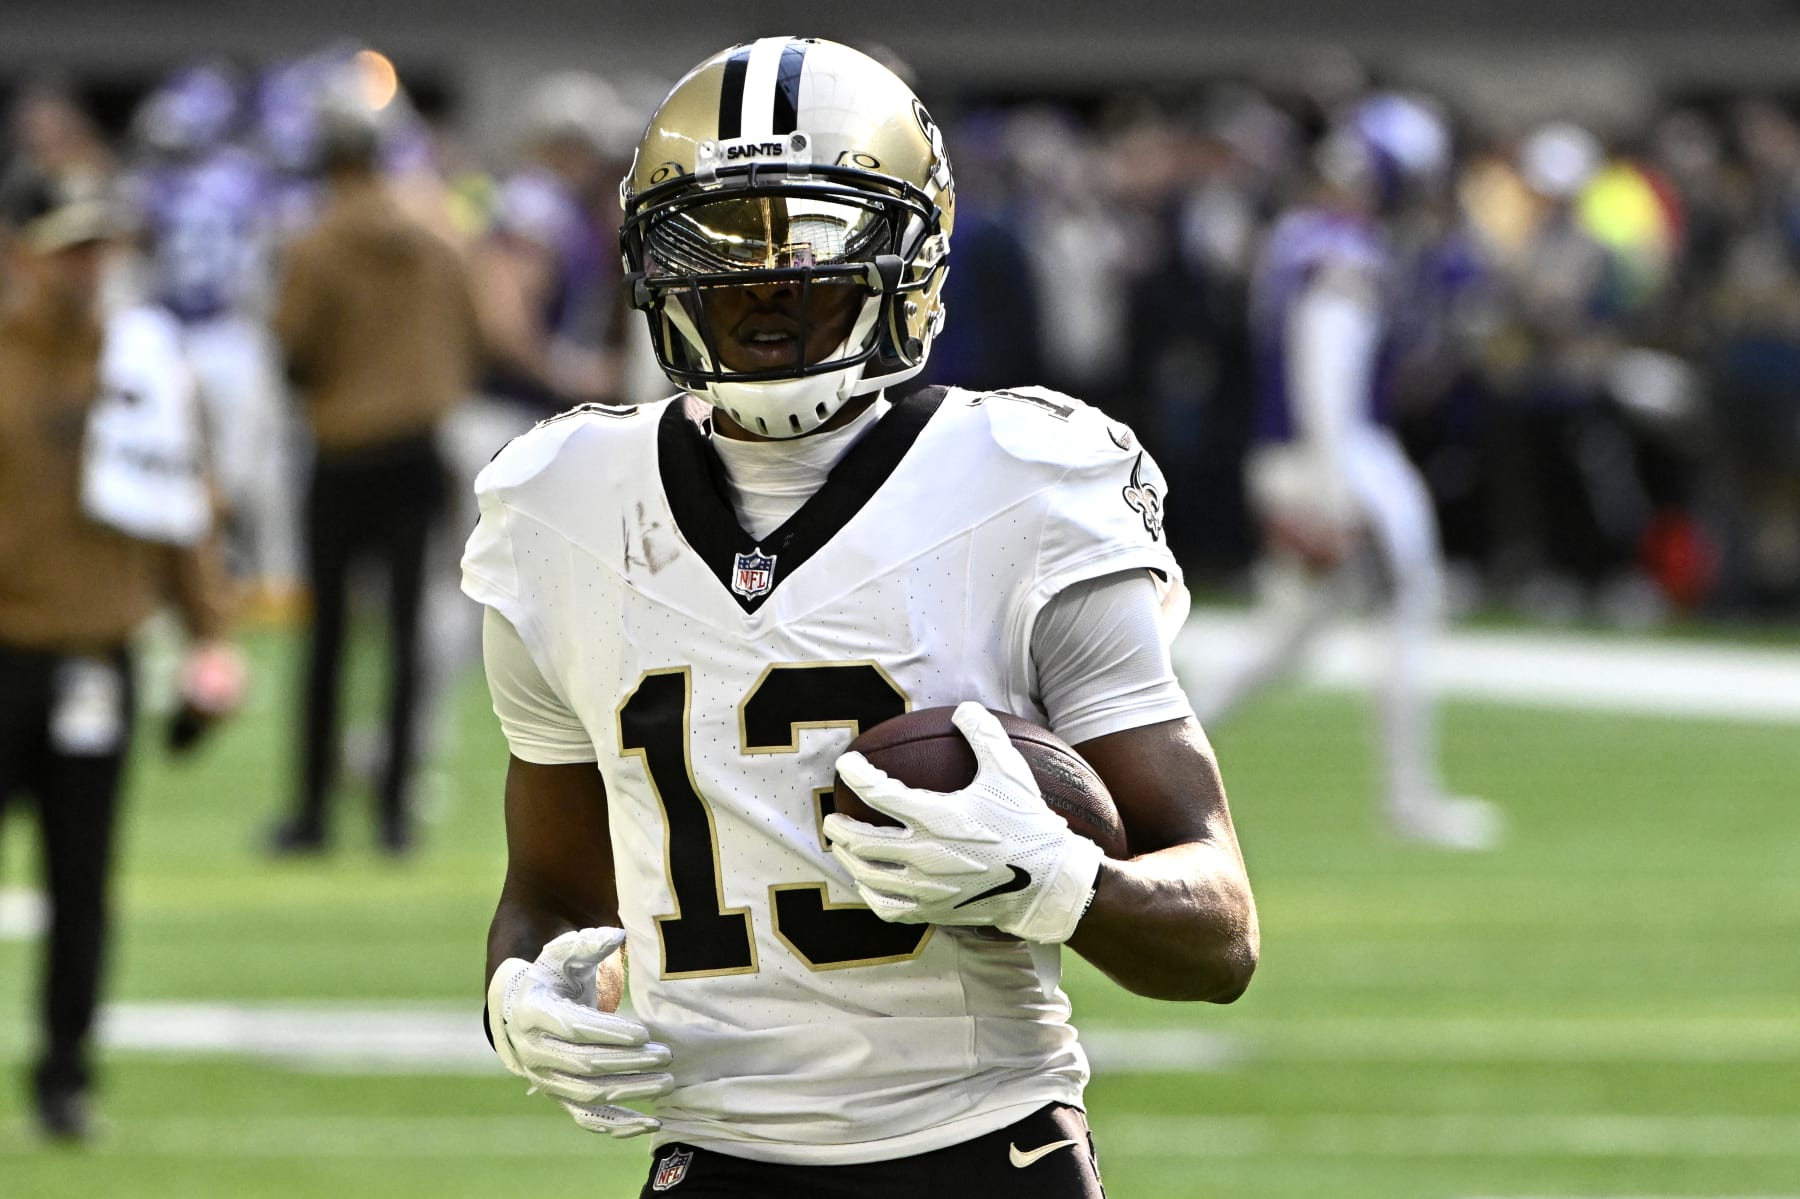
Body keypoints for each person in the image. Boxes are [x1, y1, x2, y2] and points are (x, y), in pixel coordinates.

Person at [463, 38, 1258, 1198]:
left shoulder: (1027, 482)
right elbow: (549, 887)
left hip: (986, 1149)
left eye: (816, 240)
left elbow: (1222, 934)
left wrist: (1059, 877)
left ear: (912, 254)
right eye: (723, 241)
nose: (767, 284)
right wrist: (518, 992)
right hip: (710, 1160)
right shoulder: (559, 505)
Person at [1191, 93, 1502, 850]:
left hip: (1303, 452)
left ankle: (1145, 754)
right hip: (1333, 455)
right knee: (1403, 614)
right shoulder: (1342, 250)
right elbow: (1325, 377)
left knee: (1290, 635)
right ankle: (1411, 797)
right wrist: (1336, 490)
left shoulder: (1301, 235)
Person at [0, 170, 242, 1140]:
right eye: (67, 245)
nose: (86, 266)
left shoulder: (145, 360)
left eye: (98, 245)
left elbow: (182, 510)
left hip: (98, 656)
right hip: (3, 653)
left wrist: (209, 633)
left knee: (84, 886)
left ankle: (65, 1072)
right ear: (20, 252)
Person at [267, 72, 482, 855]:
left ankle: (315, 813)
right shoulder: (438, 234)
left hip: (343, 448)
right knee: (403, 633)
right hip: (418, 446)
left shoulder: (315, 244)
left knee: (326, 637)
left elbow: (293, 350)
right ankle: (393, 812)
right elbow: (474, 330)